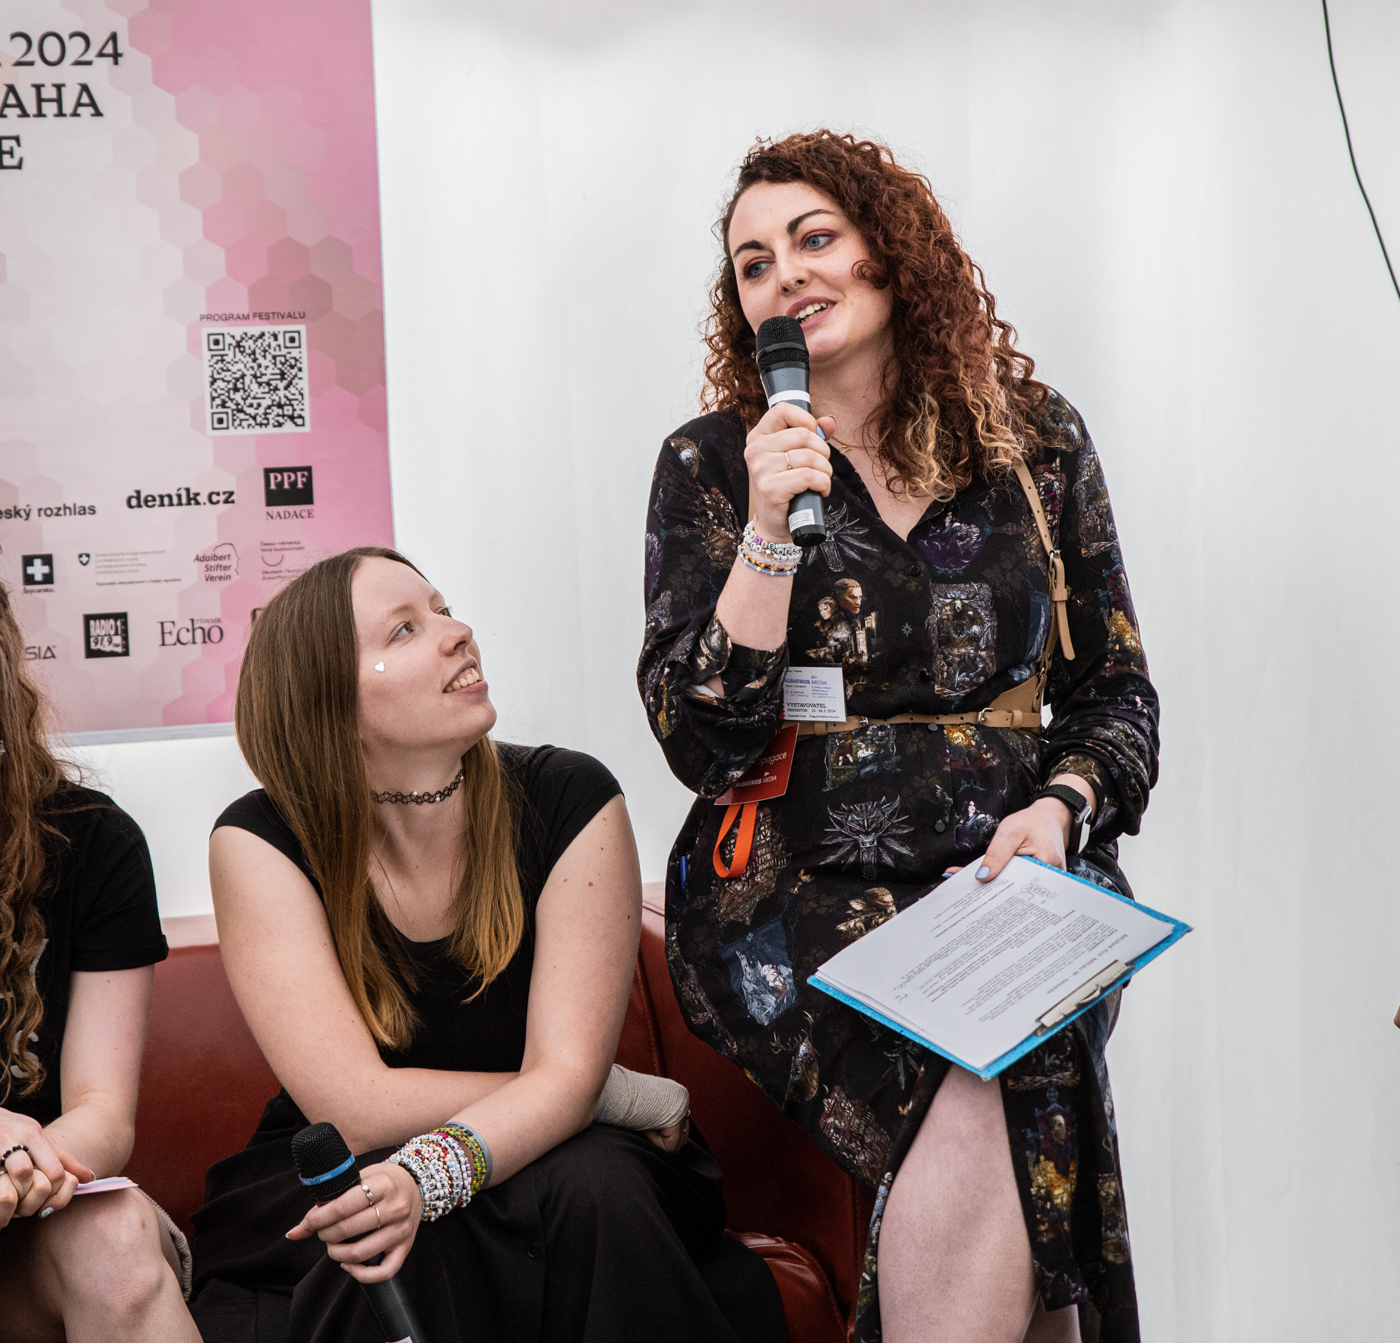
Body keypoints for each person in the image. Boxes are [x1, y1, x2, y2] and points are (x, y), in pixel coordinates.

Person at [639, 131, 1160, 1343]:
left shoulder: (1034, 441)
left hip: (1017, 871)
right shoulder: (711, 461)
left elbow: (1116, 691)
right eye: (753, 263)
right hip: (793, 883)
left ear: (891, 252)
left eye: (813, 237)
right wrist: (767, 525)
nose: (784, 274)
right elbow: (703, 739)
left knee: (1014, 1052)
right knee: (980, 1066)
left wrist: (1060, 811)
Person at [189, 546, 785, 1343]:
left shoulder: (571, 797)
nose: (458, 631)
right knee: (380, 1231)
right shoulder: (259, 838)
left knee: (594, 1183)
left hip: (568, 1163)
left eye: (442, 609)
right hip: (363, 1159)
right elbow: (356, 1108)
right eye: (404, 630)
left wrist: (477, 1147)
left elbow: (564, 1080)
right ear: (330, 700)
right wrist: (601, 1094)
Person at [0, 575, 197, 1341]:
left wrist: (20, 1164)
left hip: (31, 1226)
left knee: (114, 1239)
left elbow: (103, 1115)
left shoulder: (91, 841)